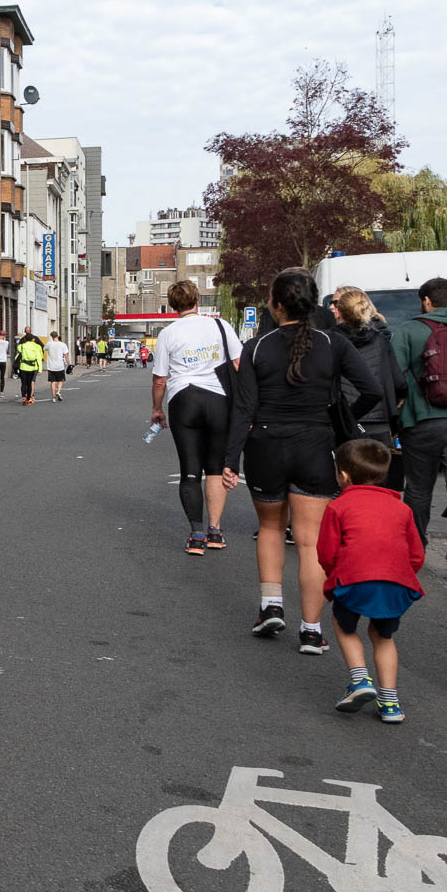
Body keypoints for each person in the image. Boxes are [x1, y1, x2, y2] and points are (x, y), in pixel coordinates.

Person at [223, 267, 380, 656]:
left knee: (271, 528)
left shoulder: (257, 347)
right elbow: (373, 389)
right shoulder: (333, 343)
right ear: (313, 304)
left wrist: (229, 459)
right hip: (315, 445)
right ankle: (311, 630)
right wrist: (342, 416)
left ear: (275, 306)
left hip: (265, 447)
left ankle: (270, 606)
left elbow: (243, 409)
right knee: (310, 543)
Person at [320, 439, 424, 723]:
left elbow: (327, 553)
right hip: (396, 581)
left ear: (343, 475)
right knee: (383, 637)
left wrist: (335, 576)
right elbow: (416, 554)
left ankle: (360, 679)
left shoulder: (337, 507)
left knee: (343, 624)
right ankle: (390, 703)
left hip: (354, 577)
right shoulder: (402, 509)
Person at [392, 276, 447, 583]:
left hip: (421, 420)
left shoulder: (407, 330)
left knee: (418, 489)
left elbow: (394, 379)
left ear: (426, 300)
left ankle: (414, 553)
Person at [151, 280, 237, 554]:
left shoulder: (168, 333)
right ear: (197, 300)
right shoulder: (220, 325)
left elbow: (160, 379)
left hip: (183, 399)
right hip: (218, 399)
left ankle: (196, 535)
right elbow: (238, 362)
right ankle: (215, 530)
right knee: (215, 467)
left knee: (190, 469)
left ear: (173, 304)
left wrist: (157, 409)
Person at [329, 286, 406, 490]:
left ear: (340, 312)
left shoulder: (330, 340)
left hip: (342, 421)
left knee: (342, 483)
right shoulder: (380, 339)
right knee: (377, 485)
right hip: (378, 420)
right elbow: (398, 380)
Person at [14, 330, 43, 405]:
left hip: (23, 366)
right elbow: (39, 358)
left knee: (23, 383)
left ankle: (23, 397)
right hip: (32, 367)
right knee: (29, 383)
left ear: (25, 339)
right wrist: (40, 369)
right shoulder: (36, 347)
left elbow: (18, 350)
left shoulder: (22, 346)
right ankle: (28, 399)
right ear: (32, 339)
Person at [44, 331, 69, 402]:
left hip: (51, 366)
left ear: (51, 337)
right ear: (58, 336)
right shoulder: (63, 344)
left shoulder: (49, 344)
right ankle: (58, 391)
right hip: (60, 366)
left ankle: (54, 397)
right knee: (60, 380)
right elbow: (66, 355)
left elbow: (44, 349)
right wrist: (68, 363)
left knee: (53, 382)